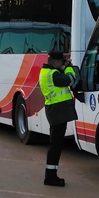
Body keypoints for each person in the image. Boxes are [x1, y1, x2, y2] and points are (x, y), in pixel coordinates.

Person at [39, 49, 78, 187]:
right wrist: (69, 68)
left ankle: (51, 175)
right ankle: (50, 176)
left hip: (54, 110)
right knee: (55, 146)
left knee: (55, 145)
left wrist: (63, 67)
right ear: (55, 62)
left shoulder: (46, 72)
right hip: (57, 111)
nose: (63, 64)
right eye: (61, 61)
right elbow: (70, 80)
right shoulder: (54, 74)